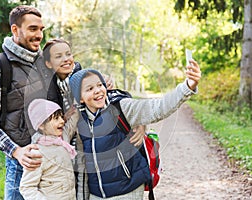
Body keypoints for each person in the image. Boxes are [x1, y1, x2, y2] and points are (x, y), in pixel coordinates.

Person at [68, 61, 201, 199]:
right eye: (89, 89)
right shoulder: (79, 121)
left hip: (128, 190)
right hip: (96, 195)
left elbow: (158, 107)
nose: (97, 90)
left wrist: (187, 87)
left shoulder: (120, 108)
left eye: (100, 85)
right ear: (80, 99)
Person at [42, 38, 147, 199]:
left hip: (92, 154)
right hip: (65, 156)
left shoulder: (86, 77)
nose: (65, 59)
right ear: (48, 63)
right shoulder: (47, 87)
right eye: (58, 56)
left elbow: (121, 101)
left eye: (68, 54)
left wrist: (139, 123)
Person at [0, 5, 51, 199]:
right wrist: (17, 152)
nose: (39, 35)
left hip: (53, 162)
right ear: (15, 30)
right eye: (33, 29)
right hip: (21, 167)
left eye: (41, 29)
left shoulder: (44, 62)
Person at [20, 98, 78, 200]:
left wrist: (78, 100)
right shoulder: (37, 153)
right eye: (56, 118)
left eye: (61, 116)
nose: (62, 121)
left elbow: (72, 122)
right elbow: (27, 187)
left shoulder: (63, 139)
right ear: (41, 125)